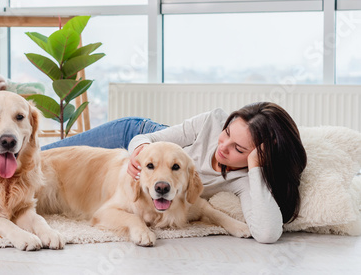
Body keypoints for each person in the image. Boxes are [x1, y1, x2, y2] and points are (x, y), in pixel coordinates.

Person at [41, 101, 307, 243]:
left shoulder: (244, 178)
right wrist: (139, 153)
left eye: (237, 148)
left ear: (256, 155)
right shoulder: (211, 121)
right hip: (137, 134)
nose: (221, 146)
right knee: (33, 159)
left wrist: (257, 168)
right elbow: (149, 139)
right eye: (226, 133)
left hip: (159, 168)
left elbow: (268, 233)